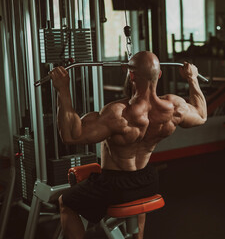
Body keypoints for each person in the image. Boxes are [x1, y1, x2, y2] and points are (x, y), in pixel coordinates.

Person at [50, 51, 207, 239]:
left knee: (66, 202)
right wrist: (192, 78)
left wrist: (63, 90)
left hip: (114, 185)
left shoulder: (118, 114)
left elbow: (70, 136)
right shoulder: (174, 107)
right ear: (159, 74)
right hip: (147, 180)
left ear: (131, 74)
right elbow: (201, 115)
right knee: (136, 193)